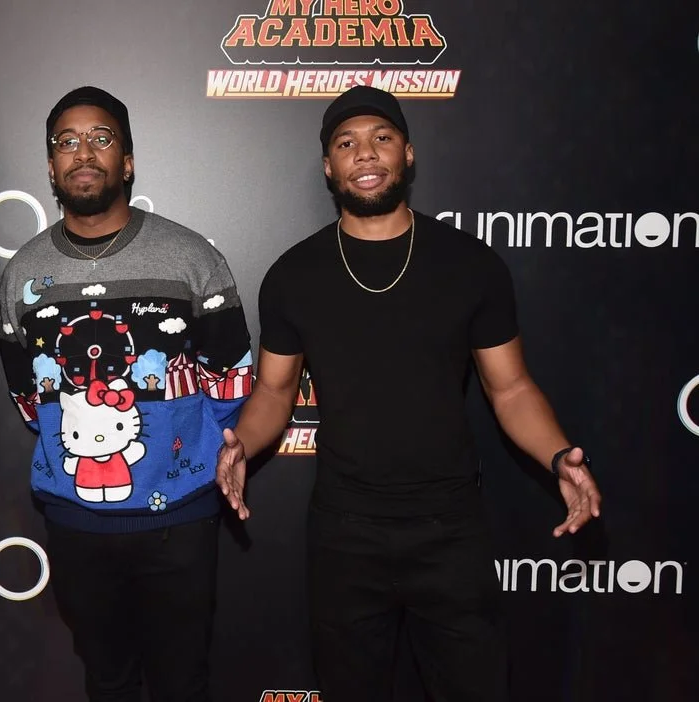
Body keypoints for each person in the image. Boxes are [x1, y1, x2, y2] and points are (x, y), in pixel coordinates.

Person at [214, 85, 603, 701]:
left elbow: (511, 388)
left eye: (382, 138)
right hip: (345, 532)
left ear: (408, 153)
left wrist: (558, 455)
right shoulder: (294, 275)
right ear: (328, 166)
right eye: (346, 144)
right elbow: (274, 392)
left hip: (451, 529)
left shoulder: (470, 265)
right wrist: (242, 444)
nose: (365, 154)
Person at [0, 86, 253, 702]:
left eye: (101, 139)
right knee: (107, 681)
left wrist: (176, 452)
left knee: (182, 683)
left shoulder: (190, 256)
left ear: (128, 161)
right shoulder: (22, 272)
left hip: (182, 519)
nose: (84, 153)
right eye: (67, 142)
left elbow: (232, 378)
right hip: (76, 522)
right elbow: (29, 397)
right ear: (51, 166)